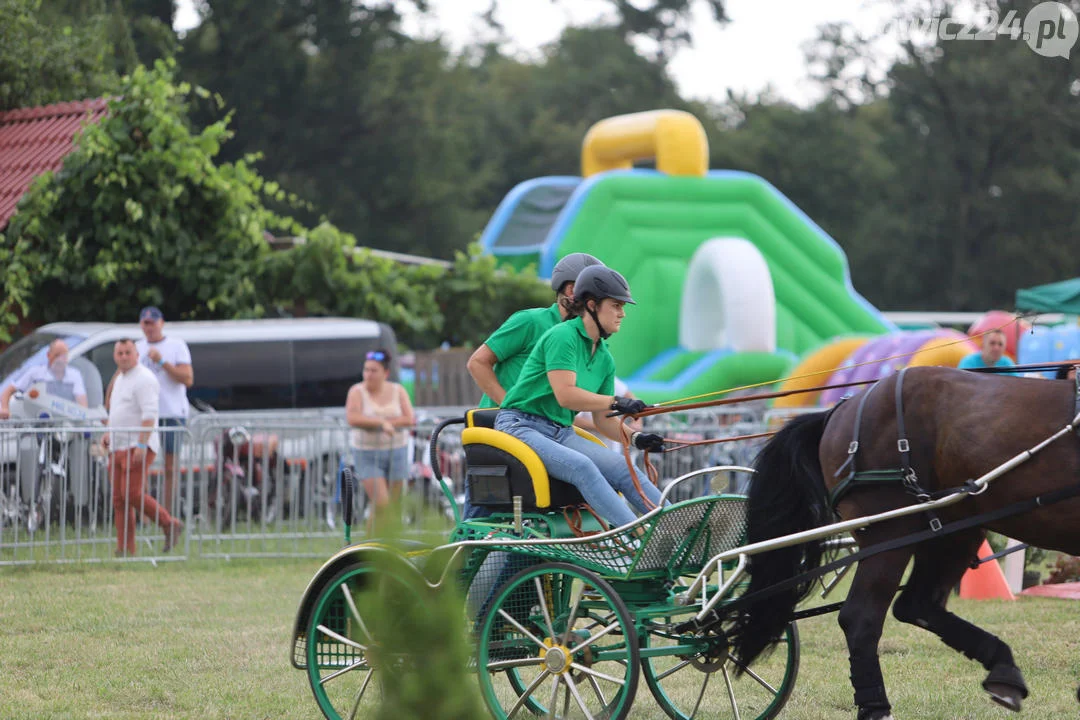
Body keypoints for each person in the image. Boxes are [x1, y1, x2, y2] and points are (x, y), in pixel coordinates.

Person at [495, 265, 666, 529]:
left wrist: (636, 438)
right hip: (520, 426)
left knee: (623, 467)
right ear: (591, 305)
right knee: (583, 466)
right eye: (616, 305)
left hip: (560, 432)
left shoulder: (605, 357)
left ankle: (682, 527)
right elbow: (566, 396)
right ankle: (637, 537)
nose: (622, 313)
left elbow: (603, 421)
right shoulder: (563, 336)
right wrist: (616, 402)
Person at [467, 252, 604, 408]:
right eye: (597, 296)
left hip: (543, 428)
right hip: (499, 425)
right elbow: (478, 362)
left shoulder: (586, 341)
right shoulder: (531, 321)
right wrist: (510, 407)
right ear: (572, 290)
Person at [103, 339, 183, 556]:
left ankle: (169, 523)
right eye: (119, 353)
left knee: (133, 493)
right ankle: (125, 548)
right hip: (118, 444)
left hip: (136, 444)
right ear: (115, 356)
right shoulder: (120, 378)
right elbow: (116, 411)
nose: (123, 357)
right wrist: (108, 433)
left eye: (128, 352)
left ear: (137, 355)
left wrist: (141, 443)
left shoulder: (144, 378)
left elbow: (149, 414)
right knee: (120, 499)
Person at [345, 348, 415, 531]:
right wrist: (381, 424)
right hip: (366, 452)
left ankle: (376, 547)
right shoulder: (356, 392)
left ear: (386, 373)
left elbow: (409, 419)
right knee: (381, 502)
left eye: (373, 370)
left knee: (391, 505)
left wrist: (385, 423)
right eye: (366, 370)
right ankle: (372, 547)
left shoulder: (397, 390)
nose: (368, 374)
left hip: (397, 449)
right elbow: (353, 418)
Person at [135, 306, 194, 515]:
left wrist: (162, 362)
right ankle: (147, 513)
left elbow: (187, 379)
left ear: (161, 323)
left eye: (153, 323)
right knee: (141, 466)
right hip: (145, 415)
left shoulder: (176, 345)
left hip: (172, 414)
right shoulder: (137, 347)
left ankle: (167, 515)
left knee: (170, 467)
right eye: (145, 323)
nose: (149, 327)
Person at [0, 339, 87, 418]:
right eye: (57, 355)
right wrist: (4, 409)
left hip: (63, 427)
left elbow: (82, 405)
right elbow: (8, 390)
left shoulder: (74, 376)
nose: (60, 360)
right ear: (48, 355)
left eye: (63, 356)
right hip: (34, 425)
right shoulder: (35, 373)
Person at [573, 376, 642, 451]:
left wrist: (637, 423)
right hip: (585, 445)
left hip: (611, 446)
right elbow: (572, 420)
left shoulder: (608, 376)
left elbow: (630, 398)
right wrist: (603, 426)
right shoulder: (576, 381)